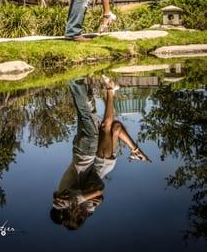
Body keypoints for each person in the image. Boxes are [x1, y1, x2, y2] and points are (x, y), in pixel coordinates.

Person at [50, 75, 151, 230]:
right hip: (94, 161)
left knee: (91, 116)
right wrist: (97, 197)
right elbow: (98, 193)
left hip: (87, 155)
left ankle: (83, 81)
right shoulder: (82, 206)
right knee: (94, 118)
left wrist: (93, 197)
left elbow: (97, 193)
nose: (82, 216)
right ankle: (90, 83)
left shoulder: (70, 201)